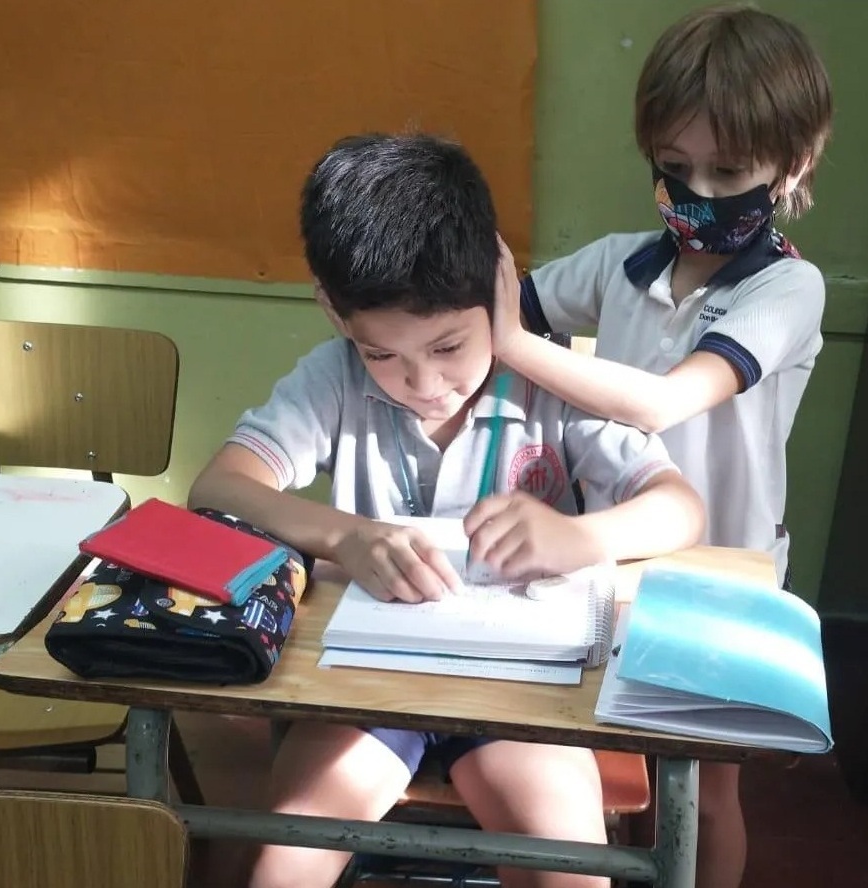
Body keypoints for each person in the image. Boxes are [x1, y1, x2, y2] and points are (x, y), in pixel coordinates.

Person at [187, 132, 706, 888]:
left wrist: (576, 537)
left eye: (449, 346)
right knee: (281, 866)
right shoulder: (332, 379)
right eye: (383, 355)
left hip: (516, 693)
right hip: (367, 688)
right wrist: (346, 535)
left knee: (570, 870)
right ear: (334, 313)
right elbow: (217, 488)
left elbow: (680, 509)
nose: (424, 383)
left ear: (499, 291)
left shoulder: (551, 383)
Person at [489, 6, 833, 886]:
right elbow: (496, 309)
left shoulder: (788, 290)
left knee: (703, 794)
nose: (697, 193)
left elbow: (663, 402)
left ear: (793, 163)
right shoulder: (621, 264)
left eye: (729, 170)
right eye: (674, 168)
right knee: (609, 767)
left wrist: (509, 340)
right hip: (608, 559)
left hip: (720, 575)